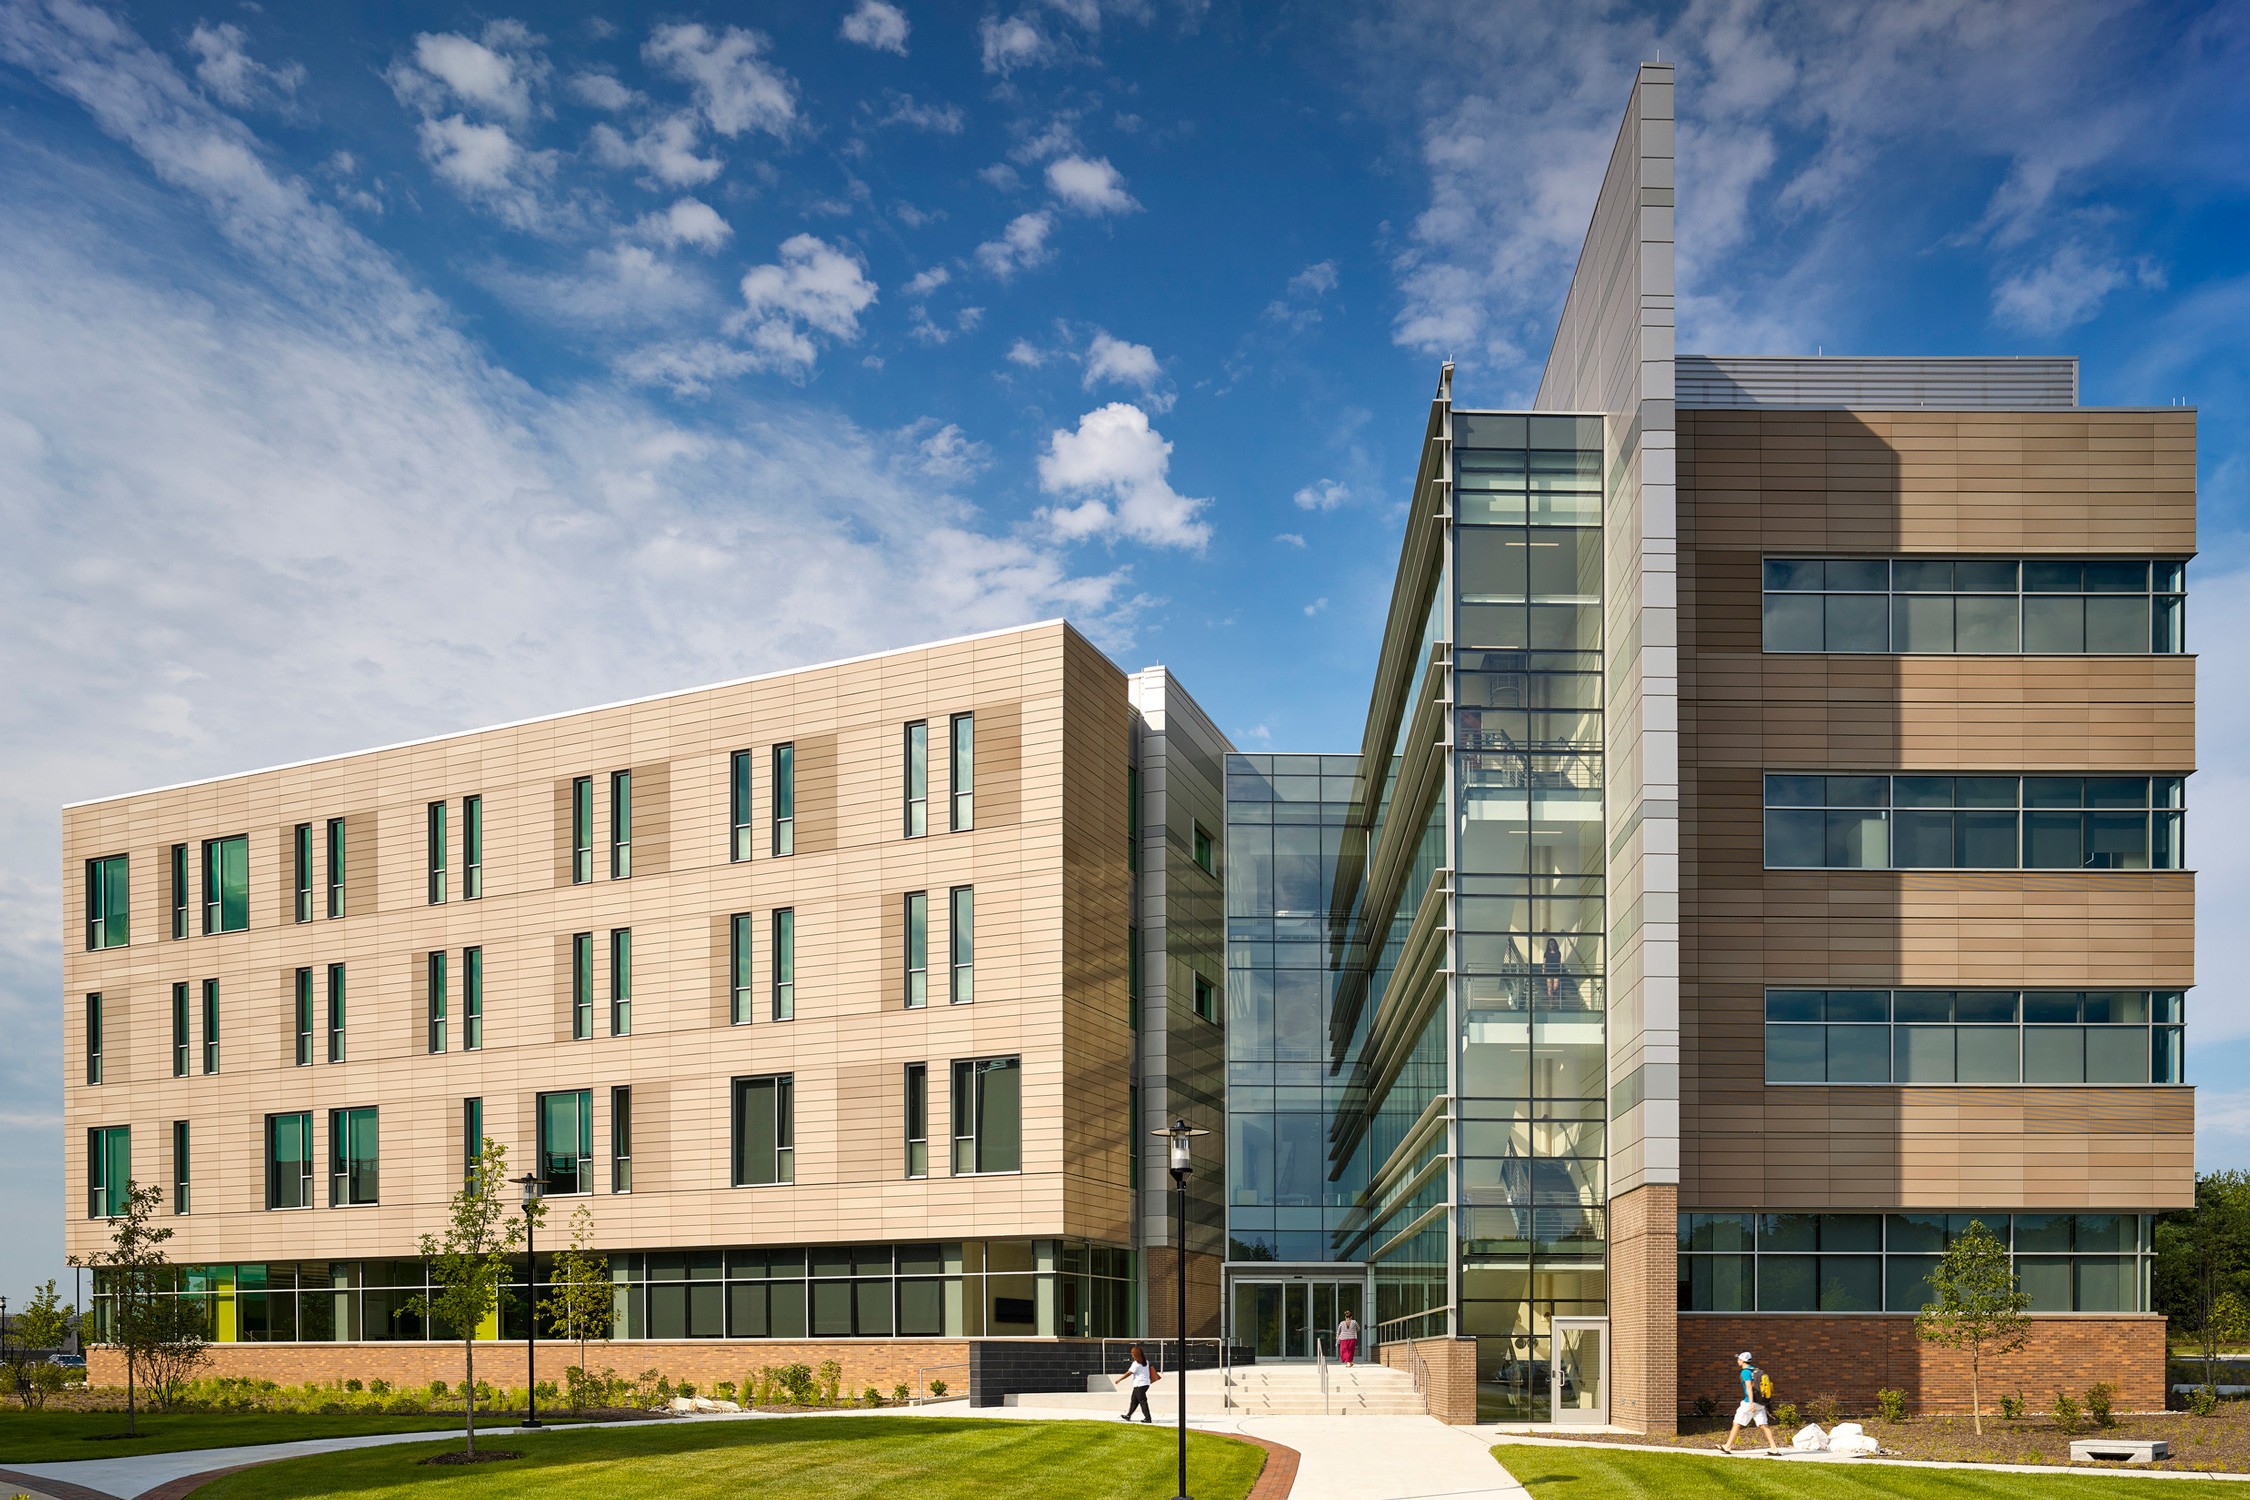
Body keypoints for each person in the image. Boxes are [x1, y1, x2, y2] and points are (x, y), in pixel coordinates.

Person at [1722, 1351, 1781, 1453]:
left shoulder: (1745, 1372)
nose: (1737, 1361)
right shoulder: (1756, 1370)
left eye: (1739, 1359)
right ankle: (1774, 1448)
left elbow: (1749, 1388)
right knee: (1764, 1424)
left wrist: (1750, 1404)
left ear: (1743, 1361)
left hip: (1749, 1402)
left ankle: (1727, 1446)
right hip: (1759, 1403)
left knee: (1737, 1423)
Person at [1114, 1342, 1157, 1422]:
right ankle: (1128, 1415)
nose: (1132, 1355)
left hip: (1139, 1385)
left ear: (1135, 1354)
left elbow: (1129, 1373)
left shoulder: (1136, 1364)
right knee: (1134, 1400)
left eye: (1132, 1353)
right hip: (1145, 1384)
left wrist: (1119, 1379)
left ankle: (1148, 1418)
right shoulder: (1146, 1362)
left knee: (1142, 1401)